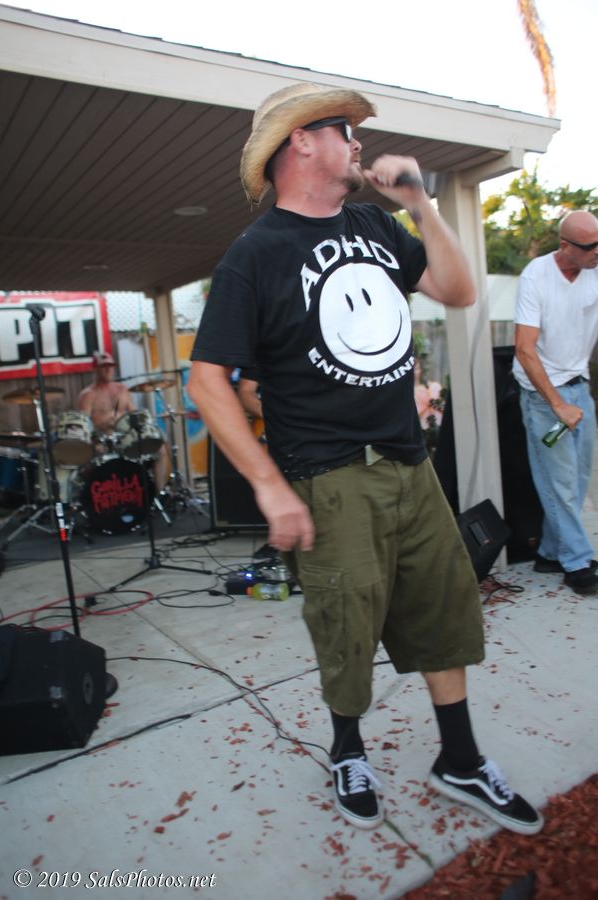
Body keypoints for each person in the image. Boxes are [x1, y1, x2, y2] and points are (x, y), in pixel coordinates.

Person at [188, 82, 542, 835]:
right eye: (342, 129)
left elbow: (458, 289)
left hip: (411, 464)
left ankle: (460, 758)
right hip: (328, 475)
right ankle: (348, 748)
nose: (357, 141)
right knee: (346, 624)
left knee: (443, 609)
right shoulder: (256, 254)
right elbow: (208, 380)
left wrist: (420, 204)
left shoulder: (376, 226)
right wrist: (270, 487)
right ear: (300, 142)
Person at [513, 210, 598, 595]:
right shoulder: (536, 276)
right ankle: (577, 562)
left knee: (577, 481)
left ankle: (550, 552)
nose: (597, 251)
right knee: (559, 484)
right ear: (565, 246)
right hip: (545, 397)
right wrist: (558, 404)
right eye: (590, 246)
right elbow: (524, 349)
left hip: (580, 388)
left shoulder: (594, 269)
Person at [78, 351, 167, 491]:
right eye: (104, 366)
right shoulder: (88, 394)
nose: (108, 369)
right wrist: (95, 442)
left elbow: (134, 414)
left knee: (160, 449)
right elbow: (83, 426)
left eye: (110, 366)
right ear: (95, 369)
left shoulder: (122, 389)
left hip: (126, 438)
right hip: (104, 441)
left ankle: (159, 494)